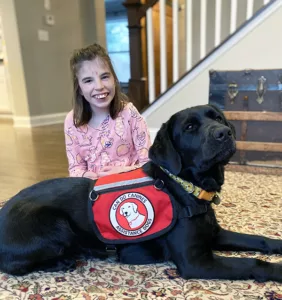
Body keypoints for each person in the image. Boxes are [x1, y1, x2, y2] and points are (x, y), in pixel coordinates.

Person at [64, 43, 151, 180]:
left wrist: (123, 172)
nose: (99, 86)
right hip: (95, 191)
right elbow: (75, 168)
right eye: (88, 81)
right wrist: (85, 175)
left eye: (105, 77)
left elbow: (149, 164)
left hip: (130, 187)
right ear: (79, 88)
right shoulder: (72, 120)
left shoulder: (129, 113)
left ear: (114, 80)